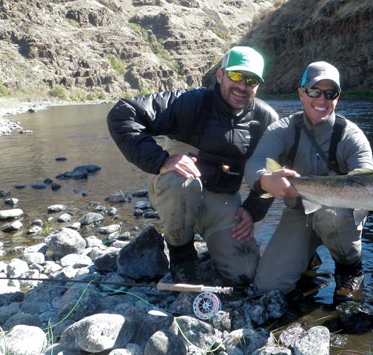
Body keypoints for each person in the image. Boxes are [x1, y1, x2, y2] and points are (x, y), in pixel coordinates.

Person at [107, 46, 278, 287]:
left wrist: (252, 209)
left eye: (251, 80)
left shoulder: (265, 119)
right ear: (220, 75)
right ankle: (181, 253)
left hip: (221, 199)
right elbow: (123, 113)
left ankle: (212, 241)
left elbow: (275, 169)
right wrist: (161, 160)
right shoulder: (189, 102)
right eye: (237, 76)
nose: (242, 86)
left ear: (257, 85)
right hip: (177, 189)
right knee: (182, 180)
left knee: (244, 274)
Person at [244, 61, 373, 303]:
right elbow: (255, 162)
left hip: (341, 215)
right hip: (299, 212)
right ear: (301, 93)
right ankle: (307, 256)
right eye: (314, 91)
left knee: (330, 215)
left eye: (330, 93)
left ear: (338, 97)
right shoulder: (282, 129)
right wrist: (265, 179)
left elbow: (367, 183)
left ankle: (349, 270)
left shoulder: (352, 137)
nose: (322, 100)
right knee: (268, 287)